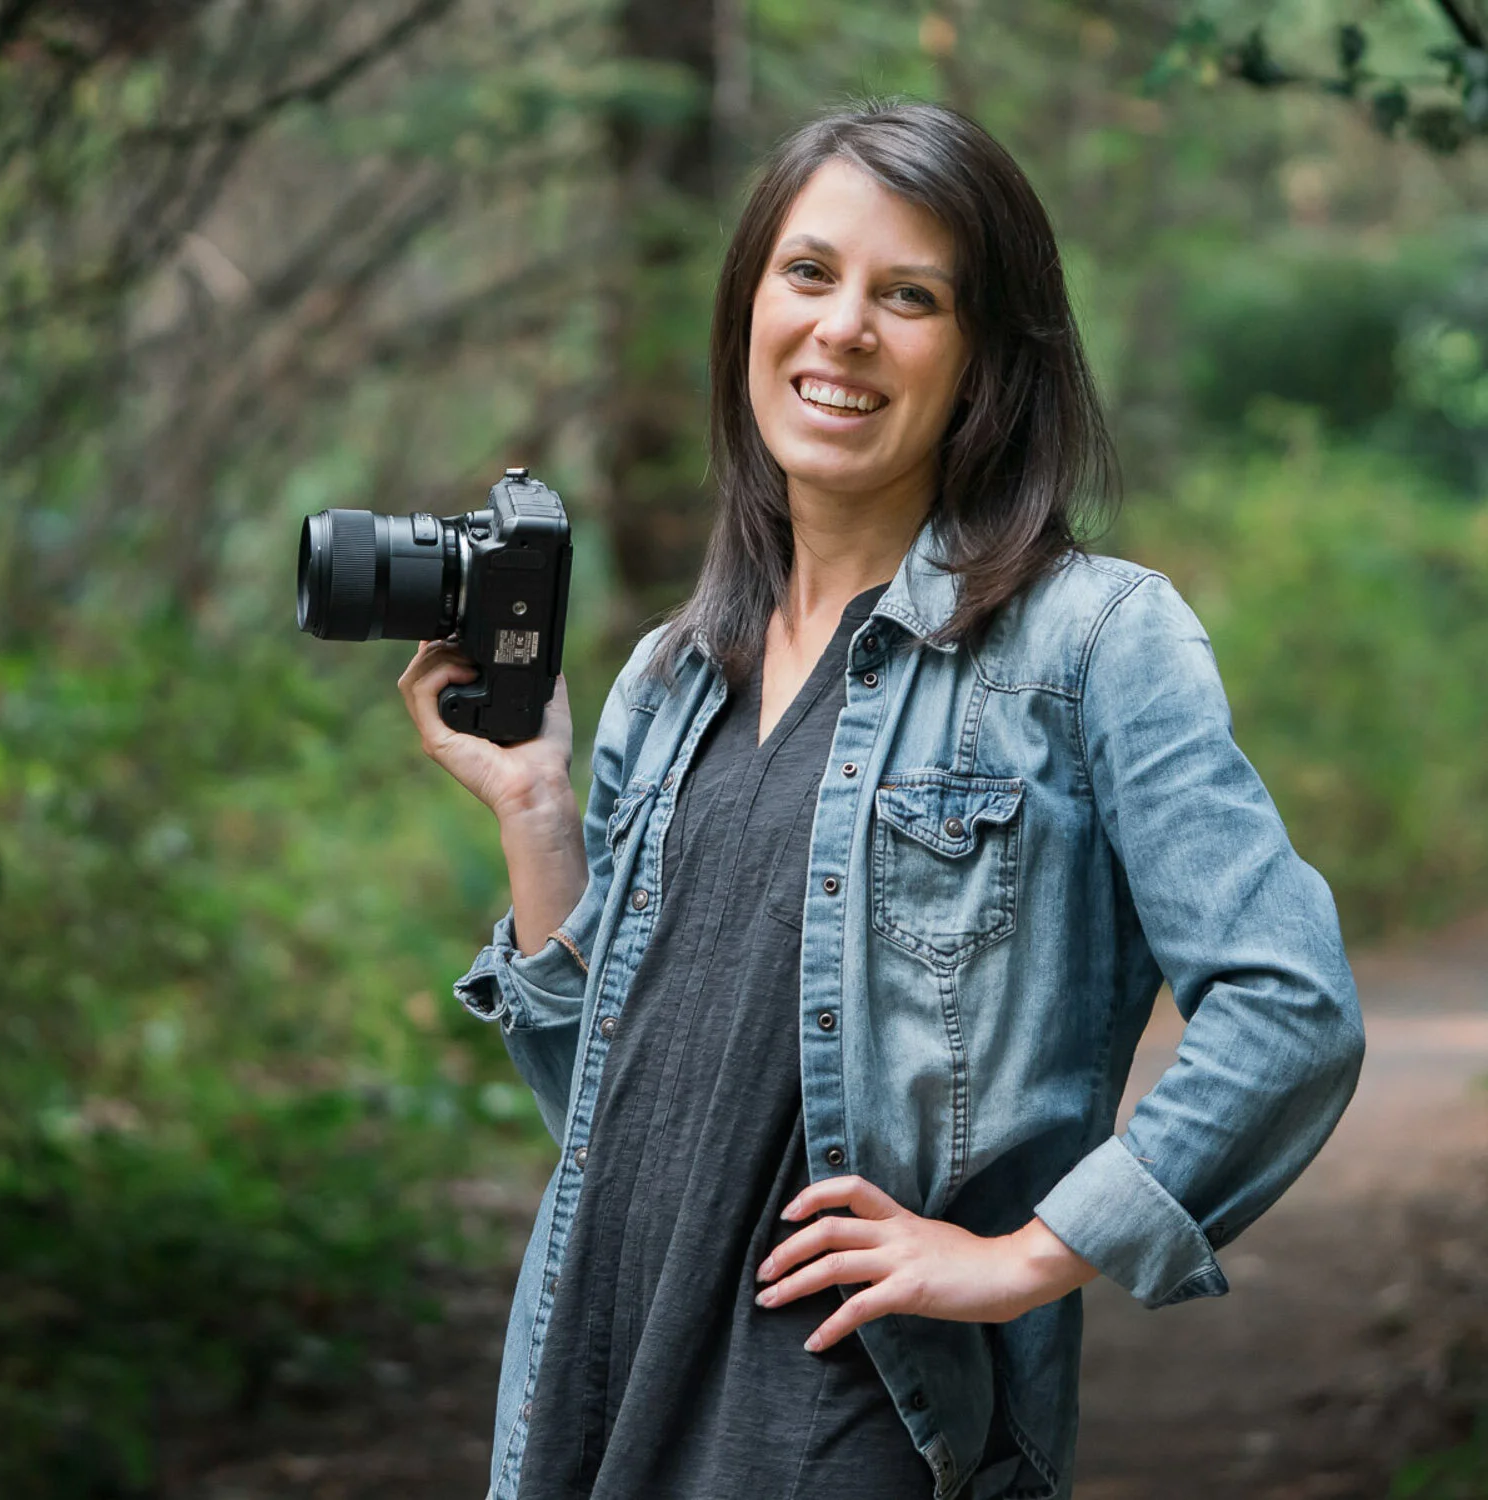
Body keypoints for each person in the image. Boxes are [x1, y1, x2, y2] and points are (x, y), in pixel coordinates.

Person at [398, 100, 1365, 1500]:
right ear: (748, 313)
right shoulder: (672, 677)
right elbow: (616, 1113)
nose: (844, 327)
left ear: (984, 360)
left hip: (842, 1426)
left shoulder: (1089, 643)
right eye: (809, 274)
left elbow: (1292, 1004)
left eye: (908, 296)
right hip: (587, 1396)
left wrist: (1024, 1257)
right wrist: (540, 816)